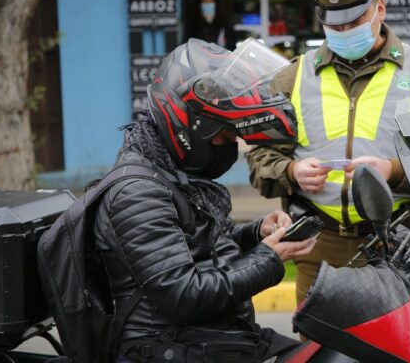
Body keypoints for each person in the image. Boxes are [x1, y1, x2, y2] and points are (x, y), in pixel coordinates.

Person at [246, 0, 410, 309]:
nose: (344, 33)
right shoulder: (292, 77)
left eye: (354, 22)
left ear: (380, 9)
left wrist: (392, 171)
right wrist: (292, 172)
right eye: (334, 26)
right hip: (318, 250)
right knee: (322, 355)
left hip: (396, 247)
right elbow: (260, 160)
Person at [94, 38, 314, 362]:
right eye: (225, 136)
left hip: (207, 336)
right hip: (167, 348)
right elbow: (184, 294)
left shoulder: (170, 174)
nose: (229, 146)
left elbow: (198, 250)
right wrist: (268, 259)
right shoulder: (137, 193)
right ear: (189, 127)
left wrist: (256, 233)